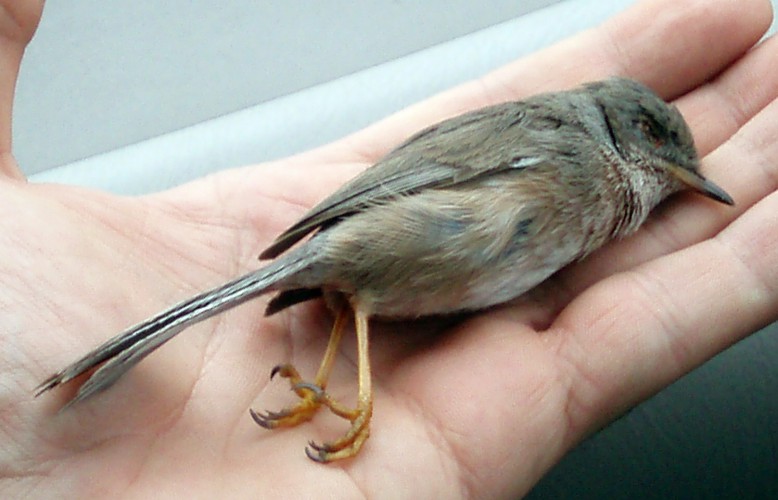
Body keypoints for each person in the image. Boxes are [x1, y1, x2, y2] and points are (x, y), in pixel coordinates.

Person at [1, 0, 776, 497]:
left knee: (356, 285)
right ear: (622, 127)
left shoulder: (587, 181)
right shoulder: (568, 149)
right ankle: (351, 394)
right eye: (659, 147)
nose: (670, 177)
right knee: (360, 284)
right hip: (386, 227)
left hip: (389, 250)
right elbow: (412, 185)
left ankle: (327, 379)